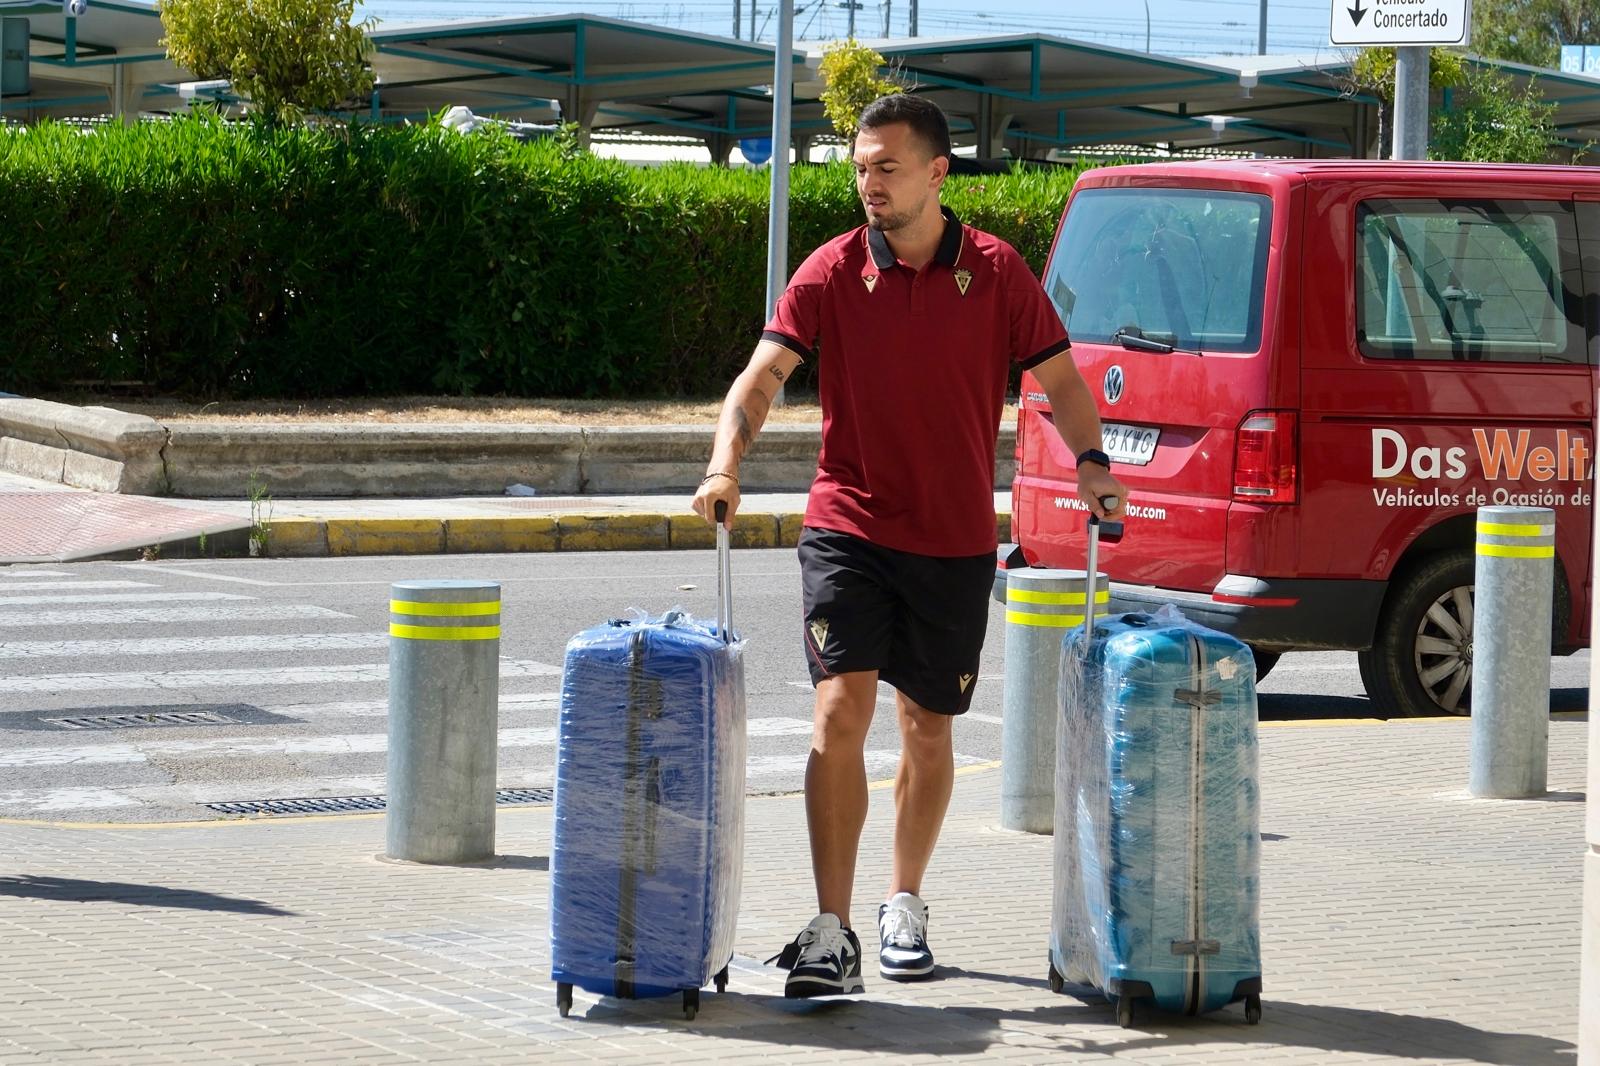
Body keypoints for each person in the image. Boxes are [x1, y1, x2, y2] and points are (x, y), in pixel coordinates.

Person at [692, 94, 1125, 999]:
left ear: (938, 173)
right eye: (859, 167)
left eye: (886, 166)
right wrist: (725, 462)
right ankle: (830, 928)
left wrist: (1091, 462)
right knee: (837, 714)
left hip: (955, 539)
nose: (868, 183)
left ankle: (904, 902)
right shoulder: (833, 270)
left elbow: (1064, 383)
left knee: (928, 729)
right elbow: (762, 376)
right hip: (848, 523)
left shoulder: (1000, 274)